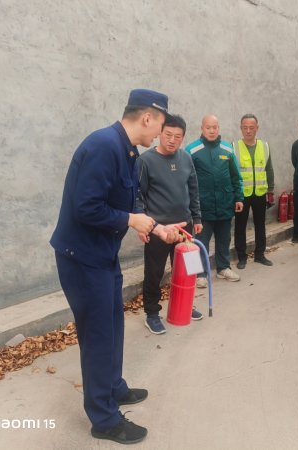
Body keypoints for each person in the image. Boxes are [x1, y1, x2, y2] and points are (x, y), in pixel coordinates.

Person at [50, 89, 185, 444]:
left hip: (102, 254)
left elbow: (130, 202)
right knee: (97, 336)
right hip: (82, 258)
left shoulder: (128, 152)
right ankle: (104, 419)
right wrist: (130, 220)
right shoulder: (103, 146)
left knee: (112, 325)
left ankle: (114, 387)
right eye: (160, 125)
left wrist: (154, 226)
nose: (161, 134)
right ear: (147, 118)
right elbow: (86, 207)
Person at [137, 114, 204, 334]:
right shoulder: (145, 161)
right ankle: (152, 313)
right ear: (160, 133)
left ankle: (186, 304)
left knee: (188, 269)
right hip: (157, 229)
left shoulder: (186, 158)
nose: (172, 140)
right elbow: (138, 196)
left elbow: (193, 189)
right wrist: (143, 226)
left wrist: (197, 218)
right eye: (168, 134)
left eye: (177, 136)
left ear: (183, 138)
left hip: (185, 227)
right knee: (154, 273)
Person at [186, 115, 243, 287]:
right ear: (202, 128)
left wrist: (238, 197)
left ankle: (223, 268)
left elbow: (235, 176)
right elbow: (185, 180)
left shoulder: (227, 149)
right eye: (208, 127)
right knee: (201, 241)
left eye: (215, 127)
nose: (212, 131)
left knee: (224, 239)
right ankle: (200, 274)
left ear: (219, 128)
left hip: (225, 204)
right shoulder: (192, 150)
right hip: (203, 207)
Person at [233, 114, 275, 269]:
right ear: (241, 128)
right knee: (240, 226)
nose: (248, 131)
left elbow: (269, 169)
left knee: (260, 225)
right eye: (245, 127)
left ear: (257, 128)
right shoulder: (234, 147)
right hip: (242, 194)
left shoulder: (264, 146)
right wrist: (234, 194)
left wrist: (270, 190)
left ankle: (260, 255)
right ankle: (241, 257)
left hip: (260, 193)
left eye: (251, 127)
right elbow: (232, 172)